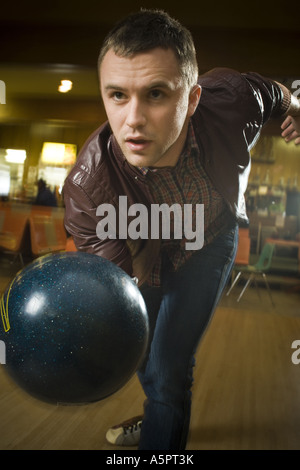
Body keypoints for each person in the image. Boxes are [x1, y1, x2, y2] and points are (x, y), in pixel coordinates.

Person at [63, 10, 300, 450]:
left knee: (169, 369)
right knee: (144, 353)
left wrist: (298, 111)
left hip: (209, 240)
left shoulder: (231, 99)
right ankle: (160, 409)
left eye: (155, 94)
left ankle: (162, 411)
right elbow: (119, 294)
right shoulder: (88, 190)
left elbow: (275, 94)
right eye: (117, 95)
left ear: (192, 99)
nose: (132, 119)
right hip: (145, 254)